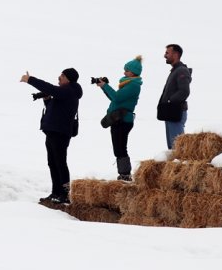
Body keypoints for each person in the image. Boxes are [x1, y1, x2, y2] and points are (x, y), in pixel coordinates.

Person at [21, 68, 83, 204]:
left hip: (60, 133)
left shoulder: (70, 90)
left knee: (60, 162)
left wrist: (30, 80)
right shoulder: (65, 92)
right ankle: (56, 192)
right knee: (52, 163)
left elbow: (50, 88)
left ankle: (65, 194)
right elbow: (56, 109)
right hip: (53, 131)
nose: (59, 77)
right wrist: (47, 100)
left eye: (62, 75)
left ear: (68, 78)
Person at [97, 56, 143, 181]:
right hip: (119, 120)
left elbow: (116, 97)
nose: (124, 72)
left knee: (120, 147)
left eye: (127, 70)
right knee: (119, 147)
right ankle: (123, 173)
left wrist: (105, 86)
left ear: (133, 72)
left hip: (123, 121)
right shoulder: (128, 83)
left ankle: (125, 174)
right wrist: (104, 86)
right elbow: (116, 98)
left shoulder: (133, 85)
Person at [158, 44, 192, 149]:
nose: (165, 55)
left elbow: (184, 91)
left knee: (178, 148)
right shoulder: (175, 70)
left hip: (175, 112)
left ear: (176, 54)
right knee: (172, 148)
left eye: (167, 53)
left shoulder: (181, 70)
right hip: (171, 112)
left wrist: (169, 101)